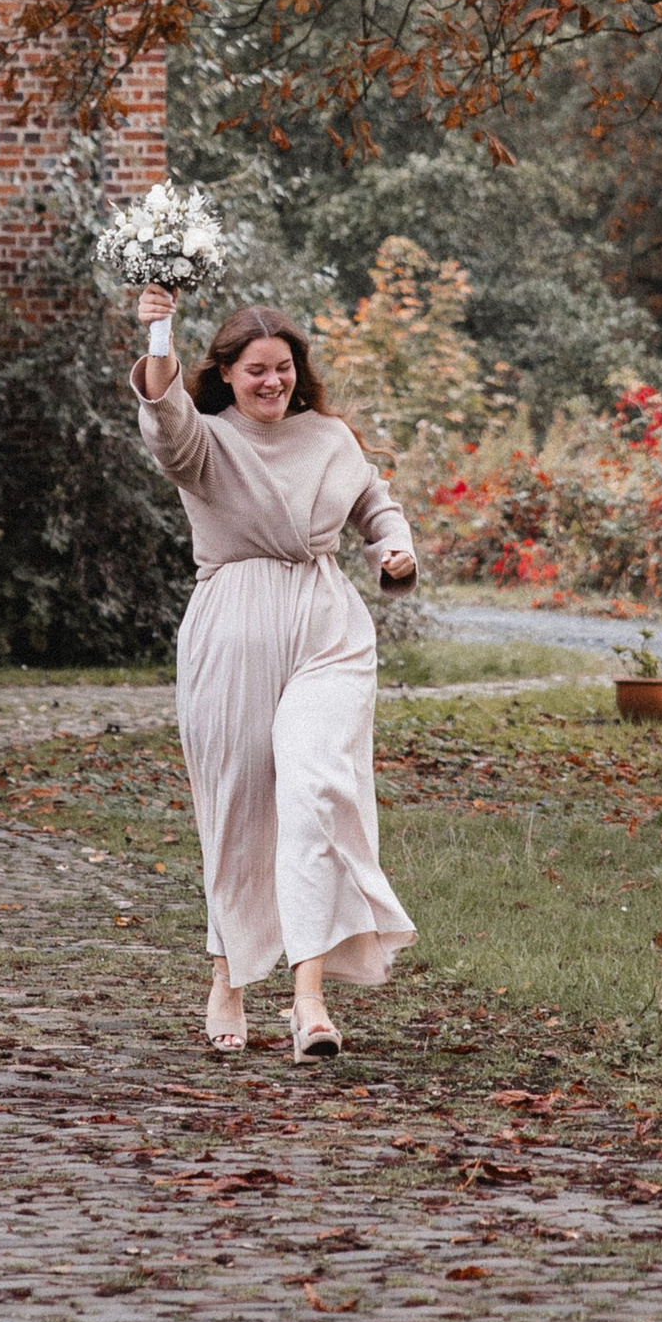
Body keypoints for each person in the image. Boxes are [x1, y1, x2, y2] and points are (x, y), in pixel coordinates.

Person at [129, 283, 419, 1059]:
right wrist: (159, 335)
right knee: (237, 809)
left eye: (283, 368)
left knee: (317, 788)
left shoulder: (328, 436)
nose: (271, 382)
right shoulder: (206, 441)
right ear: (225, 372)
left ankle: (310, 998)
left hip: (326, 626)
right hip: (234, 626)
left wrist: (394, 550)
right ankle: (228, 972)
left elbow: (375, 505)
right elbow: (164, 422)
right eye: (255, 369)